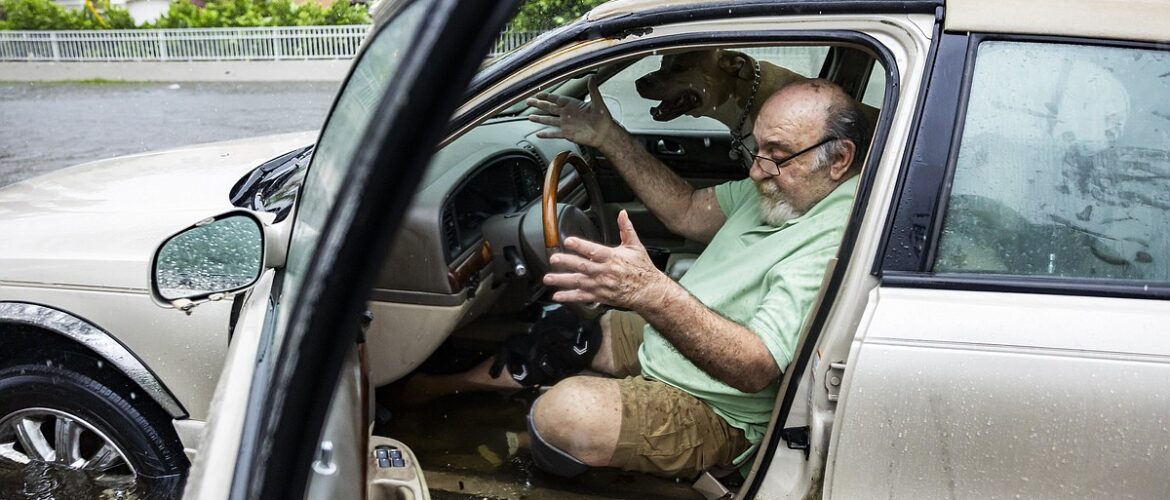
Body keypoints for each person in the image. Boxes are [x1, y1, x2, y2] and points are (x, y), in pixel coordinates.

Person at [408, 77, 868, 479]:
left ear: (838, 159)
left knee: (562, 414)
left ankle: (533, 450)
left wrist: (651, 293)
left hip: (718, 408)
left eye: (777, 156)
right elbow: (686, 211)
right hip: (679, 340)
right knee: (565, 335)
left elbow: (754, 368)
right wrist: (608, 136)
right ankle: (450, 384)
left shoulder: (837, 233)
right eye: (757, 149)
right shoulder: (783, 188)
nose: (755, 170)